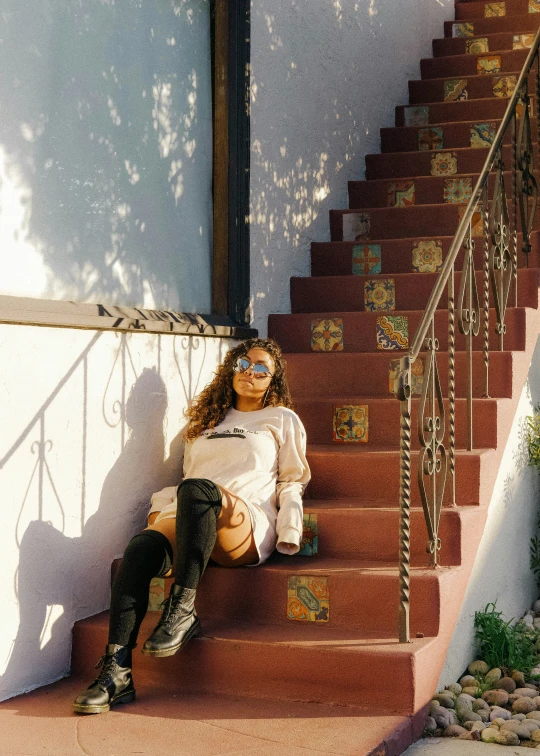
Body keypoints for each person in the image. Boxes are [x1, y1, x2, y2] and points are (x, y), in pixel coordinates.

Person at [72, 337, 310, 714]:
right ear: (231, 369)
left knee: (199, 491)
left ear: (273, 379)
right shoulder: (204, 423)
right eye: (244, 364)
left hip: (243, 520)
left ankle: (182, 608)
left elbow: (292, 480)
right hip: (194, 513)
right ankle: (116, 673)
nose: (251, 372)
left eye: (262, 368)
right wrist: (160, 515)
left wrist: (290, 528)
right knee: (140, 549)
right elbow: (191, 477)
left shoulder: (282, 419)